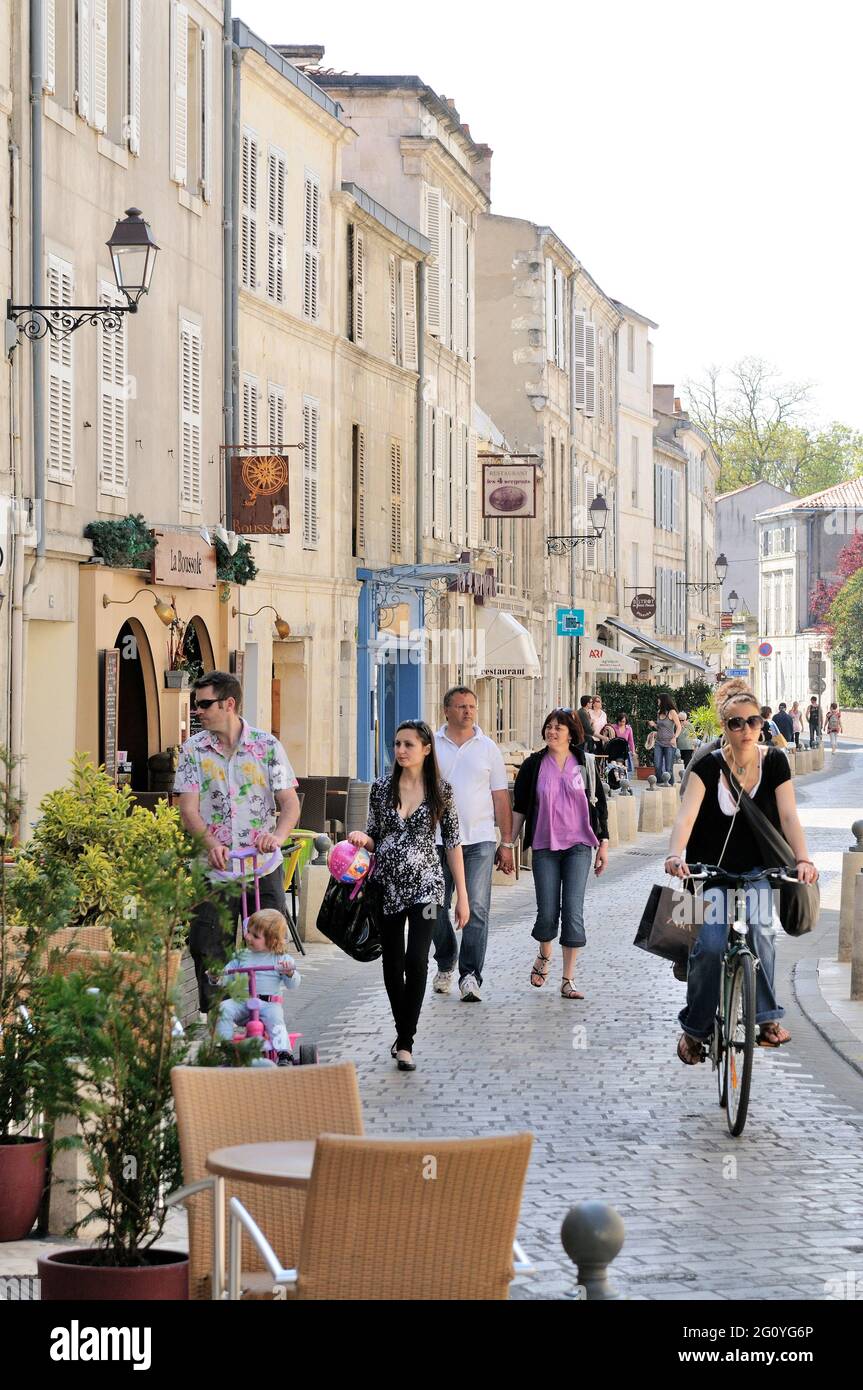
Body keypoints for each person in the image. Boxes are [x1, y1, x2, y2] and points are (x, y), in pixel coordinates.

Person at [664, 677, 818, 1065]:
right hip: (711, 873)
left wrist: (803, 859)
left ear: (761, 724)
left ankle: (766, 1019)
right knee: (710, 945)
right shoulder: (707, 764)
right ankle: (695, 1030)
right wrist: (675, 853)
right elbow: (687, 816)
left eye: (753, 722)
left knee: (762, 929)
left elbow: (788, 815)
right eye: (736, 723)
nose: (746, 729)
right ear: (724, 728)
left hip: (757, 872)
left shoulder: (777, 762)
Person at [174, 671, 300, 1012]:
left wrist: (277, 837)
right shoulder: (193, 750)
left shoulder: (267, 747)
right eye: (195, 704)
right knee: (207, 946)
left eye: (204, 704)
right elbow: (188, 809)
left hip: (262, 868)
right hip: (215, 871)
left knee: (269, 945)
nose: (197, 711)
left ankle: (263, 1018)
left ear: (228, 704)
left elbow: (289, 804)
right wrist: (210, 843)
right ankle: (219, 1022)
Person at [348, 721, 467, 1072]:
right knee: (393, 962)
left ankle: (406, 1041)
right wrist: (361, 839)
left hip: (427, 888)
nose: (401, 750)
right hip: (386, 885)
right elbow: (374, 836)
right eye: (397, 744)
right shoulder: (382, 788)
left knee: (417, 960)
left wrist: (462, 895)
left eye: (409, 744)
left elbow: (454, 844)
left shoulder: (441, 791)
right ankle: (403, 1033)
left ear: (426, 749)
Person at [512, 709, 609, 999]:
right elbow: (520, 808)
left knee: (573, 911)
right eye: (549, 727)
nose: (552, 732)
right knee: (547, 912)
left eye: (559, 728)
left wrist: (603, 843)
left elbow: (599, 806)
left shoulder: (584, 763)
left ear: (571, 733)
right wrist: (508, 845)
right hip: (544, 846)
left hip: (579, 845)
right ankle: (544, 953)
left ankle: (568, 979)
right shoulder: (533, 765)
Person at [431, 686, 514, 1003]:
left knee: (477, 909)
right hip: (437, 841)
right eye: (461, 706)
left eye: (472, 706)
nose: (467, 711)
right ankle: (446, 959)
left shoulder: (488, 748)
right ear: (446, 711)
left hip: (478, 840)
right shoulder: (432, 746)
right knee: (434, 907)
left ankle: (470, 976)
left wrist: (505, 842)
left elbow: (500, 797)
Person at [214, 909, 300, 1065]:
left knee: (276, 1018)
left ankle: (284, 1054)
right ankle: (223, 1050)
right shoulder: (241, 956)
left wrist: (289, 973)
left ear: (272, 941)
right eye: (248, 932)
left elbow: (293, 984)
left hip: (268, 1004)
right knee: (224, 1008)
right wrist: (217, 977)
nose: (247, 937)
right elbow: (226, 976)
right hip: (242, 1003)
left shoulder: (281, 959)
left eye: (255, 936)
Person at [648, 695, 682, 784]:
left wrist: (675, 737)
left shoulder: (672, 712)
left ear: (663, 701)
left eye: (659, 701)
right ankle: (659, 784)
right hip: (659, 742)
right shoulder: (659, 712)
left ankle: (670, 787)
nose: (658, 703)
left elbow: (679, 727)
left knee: (668, 768)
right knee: (657, 765)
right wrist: (653, 725)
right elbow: (660, 727)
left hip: (670, 744)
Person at [609, 711, 636, 777]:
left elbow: (631, 741)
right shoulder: (613, 727)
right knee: (615, 764)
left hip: (623, 751)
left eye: (623, 721)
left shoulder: (628, 729)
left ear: (626, 721)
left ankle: (621, 777)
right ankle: (616, 777)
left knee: (620, 763)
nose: (621, 723)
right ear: (618, 721)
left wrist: (633, 751)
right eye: (620, 721)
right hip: (614, 750)